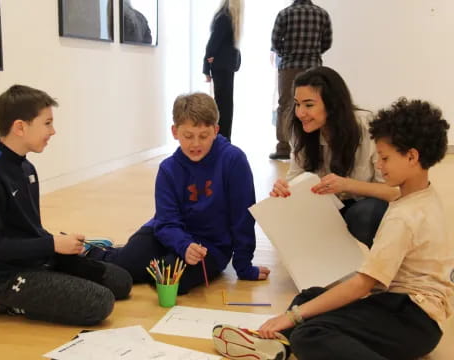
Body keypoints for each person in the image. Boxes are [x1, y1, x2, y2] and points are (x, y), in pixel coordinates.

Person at [213, 97, 453, 360]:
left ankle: (290, 339)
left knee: (309, 333)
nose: (379, 165)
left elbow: (362, 285)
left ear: (412, 156)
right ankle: (278, 345)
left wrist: (290, 316)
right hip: (407, 312)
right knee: (310, 298)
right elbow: (387, 196)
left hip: (411, 319)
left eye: (384, 158)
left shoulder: (404, 217)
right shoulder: (421, 196)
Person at [0, 85, 132, 325]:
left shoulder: (27, 168)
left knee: (121, 282)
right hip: (4, 276)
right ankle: (8, 303)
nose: (53, 131)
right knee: (100, 303)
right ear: (20, 127)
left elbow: (27, 229)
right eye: (47, 123)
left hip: (38, 259)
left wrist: (59, 247)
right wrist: (52, 244)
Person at [87, 92, 270, 294]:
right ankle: (95, 251)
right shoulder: (168, 168)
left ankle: (148, 260)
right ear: (175, 132)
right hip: (166, 234)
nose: (196, 144)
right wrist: (183, 245)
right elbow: (166, 221)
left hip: (210, 246)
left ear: (216, 130)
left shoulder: (234, 161)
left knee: (167, 278)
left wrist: (243, 266)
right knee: (124, 265)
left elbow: (243, 217)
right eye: (188, 136)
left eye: (203, 136)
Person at [270, 66, 399, 248]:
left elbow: (394, 192)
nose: (300, 113)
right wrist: (285, 188)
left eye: (309, 105)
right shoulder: (301, 131)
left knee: (363, 214)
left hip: (366, 204)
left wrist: (347, 185)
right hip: (327, 206)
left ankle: (365, 270)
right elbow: (296, 177)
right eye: (297, 104)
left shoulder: (366, 127)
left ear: (332, 104)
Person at [270, 0, 332, 160]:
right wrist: (313, 52)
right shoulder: (322, 14)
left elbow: (275, 42)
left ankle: (283, 148)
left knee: (285, 106)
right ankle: (314, 146)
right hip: (314, 66)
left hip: (289, 66)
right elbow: (327, 43)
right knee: (315, 104)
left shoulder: (284, 14)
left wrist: (286, 53)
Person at [203, 0, 243, 142]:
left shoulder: (224, 16)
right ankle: (224, 139)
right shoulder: (232, 17)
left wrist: (206, 67)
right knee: (226, 105)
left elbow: (212, 45)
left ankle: (221, 140)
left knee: (222, 105)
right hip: (226, 66)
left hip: (220, 66)